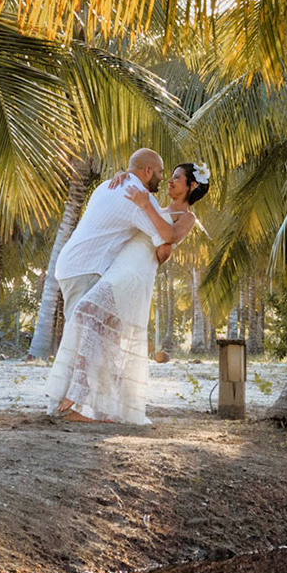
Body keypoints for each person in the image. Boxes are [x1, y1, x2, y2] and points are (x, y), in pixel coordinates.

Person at [47, 155, 209, 423]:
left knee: (88, 313)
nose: (169, 179)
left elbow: (167, 243)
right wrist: (126, 178)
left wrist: (145, 205)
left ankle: (75, 399)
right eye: (167, 174)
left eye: (177, 177)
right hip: (117, 268)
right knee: (106, 335)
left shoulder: (185, 216)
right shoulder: (151, 202)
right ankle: (105, 408)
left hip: (134, 272)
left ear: (191, 187)